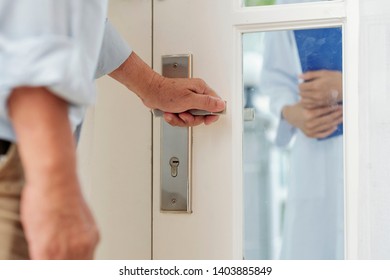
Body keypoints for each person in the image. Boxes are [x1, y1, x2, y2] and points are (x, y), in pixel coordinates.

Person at [0, 1, 225, 260]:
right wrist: (56, 189)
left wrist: (152, 86)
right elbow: (33, 36)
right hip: (18, 156)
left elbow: (76, 23)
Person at [260, 0, 344, 259]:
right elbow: (273, 80)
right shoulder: (288, 4)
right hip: (314, 155)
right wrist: (290, 112)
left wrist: (349, 84)